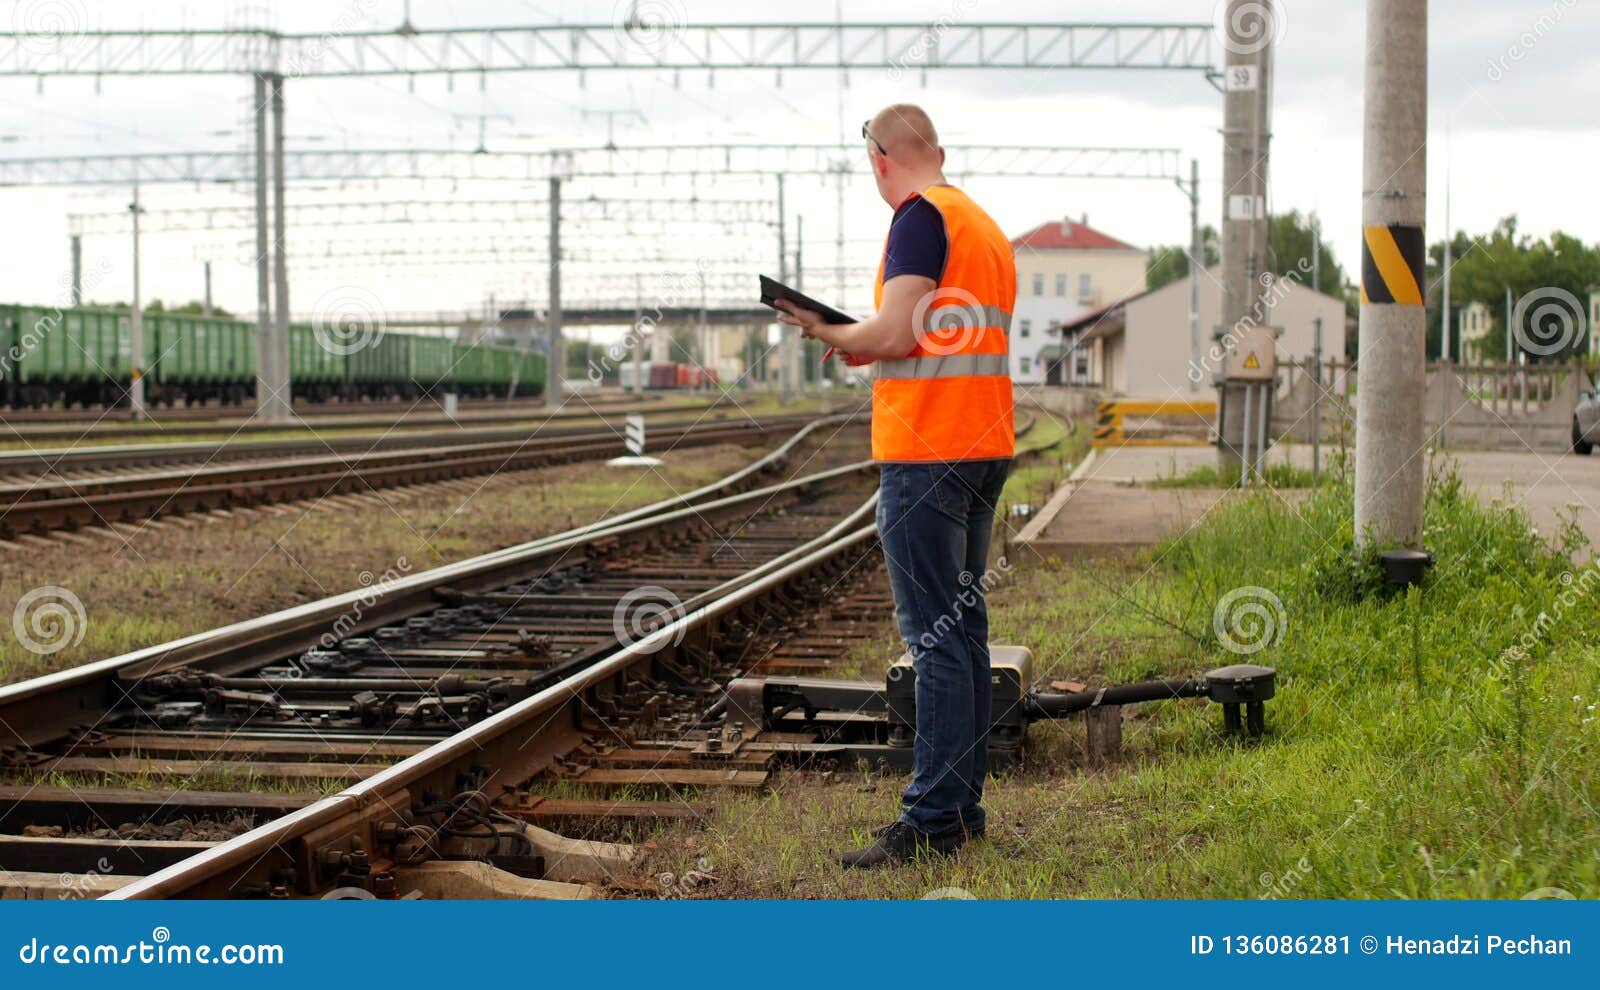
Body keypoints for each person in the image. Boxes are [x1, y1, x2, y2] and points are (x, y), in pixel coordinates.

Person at [775, 104, 1017, 869]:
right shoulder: (982, 226)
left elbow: (895, 333)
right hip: (982, 447)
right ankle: (962, 806)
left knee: (934, 640)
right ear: (933, 151)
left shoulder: (917, 218)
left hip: (928, 451)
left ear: (881, 159)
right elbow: (936, 336)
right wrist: (865, 345)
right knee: (964, 634)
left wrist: (825, 329)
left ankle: (933, 818)